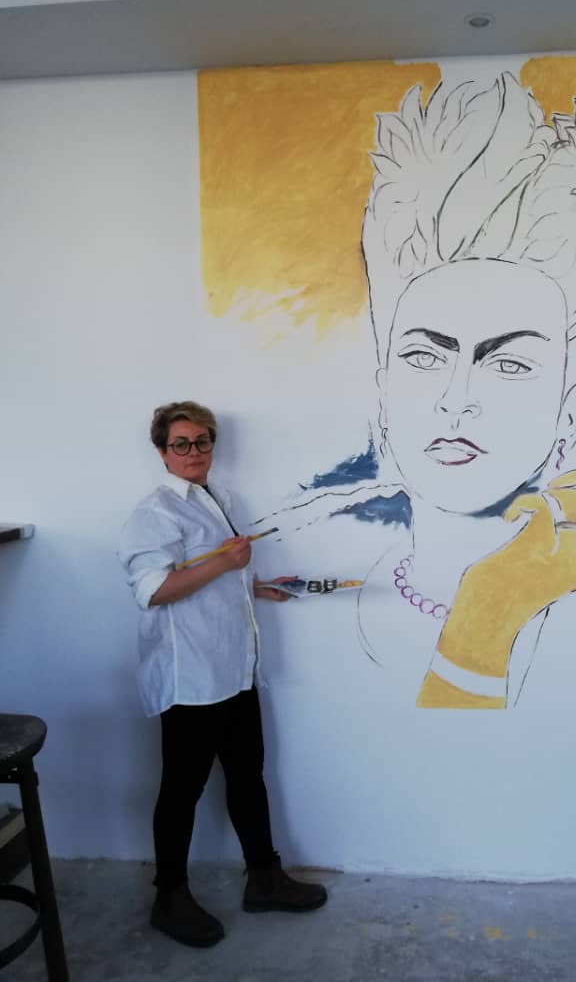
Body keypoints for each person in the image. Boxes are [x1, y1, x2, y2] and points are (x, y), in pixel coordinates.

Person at [270, 73, 576, 711]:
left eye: (509, 364)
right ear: (384, 389)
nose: (456, 397)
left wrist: (487, 616)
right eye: (423, 356)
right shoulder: (326, 600)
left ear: (570, 411)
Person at [118, 401, 327, 948]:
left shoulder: (221, 499)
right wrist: (224, 563)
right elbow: (153, 590)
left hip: (233, 669)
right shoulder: (155, 512)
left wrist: (258, 585)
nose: (194, 451)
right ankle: (169, 899)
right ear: (163, 452)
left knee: (247, 776)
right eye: (181, 443)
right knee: (181, 790)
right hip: (191, 677)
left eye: (203, 441)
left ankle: (265, 878)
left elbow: (212, 577)